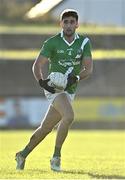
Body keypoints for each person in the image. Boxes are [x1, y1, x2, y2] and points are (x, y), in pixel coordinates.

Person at [15, 9, 93, 171]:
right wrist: (42, 82)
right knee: (69, 116)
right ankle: (56, 158)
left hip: (70, 89)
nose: (69, 25)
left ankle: (22, 154)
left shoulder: (84, 42)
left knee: (45, 128)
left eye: (72, 22)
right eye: (66, 22)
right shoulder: (52, 42)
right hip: (54, 87)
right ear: (61, 24)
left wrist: (76, 78)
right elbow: (37, 65)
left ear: (77, 24)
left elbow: (89, 69)